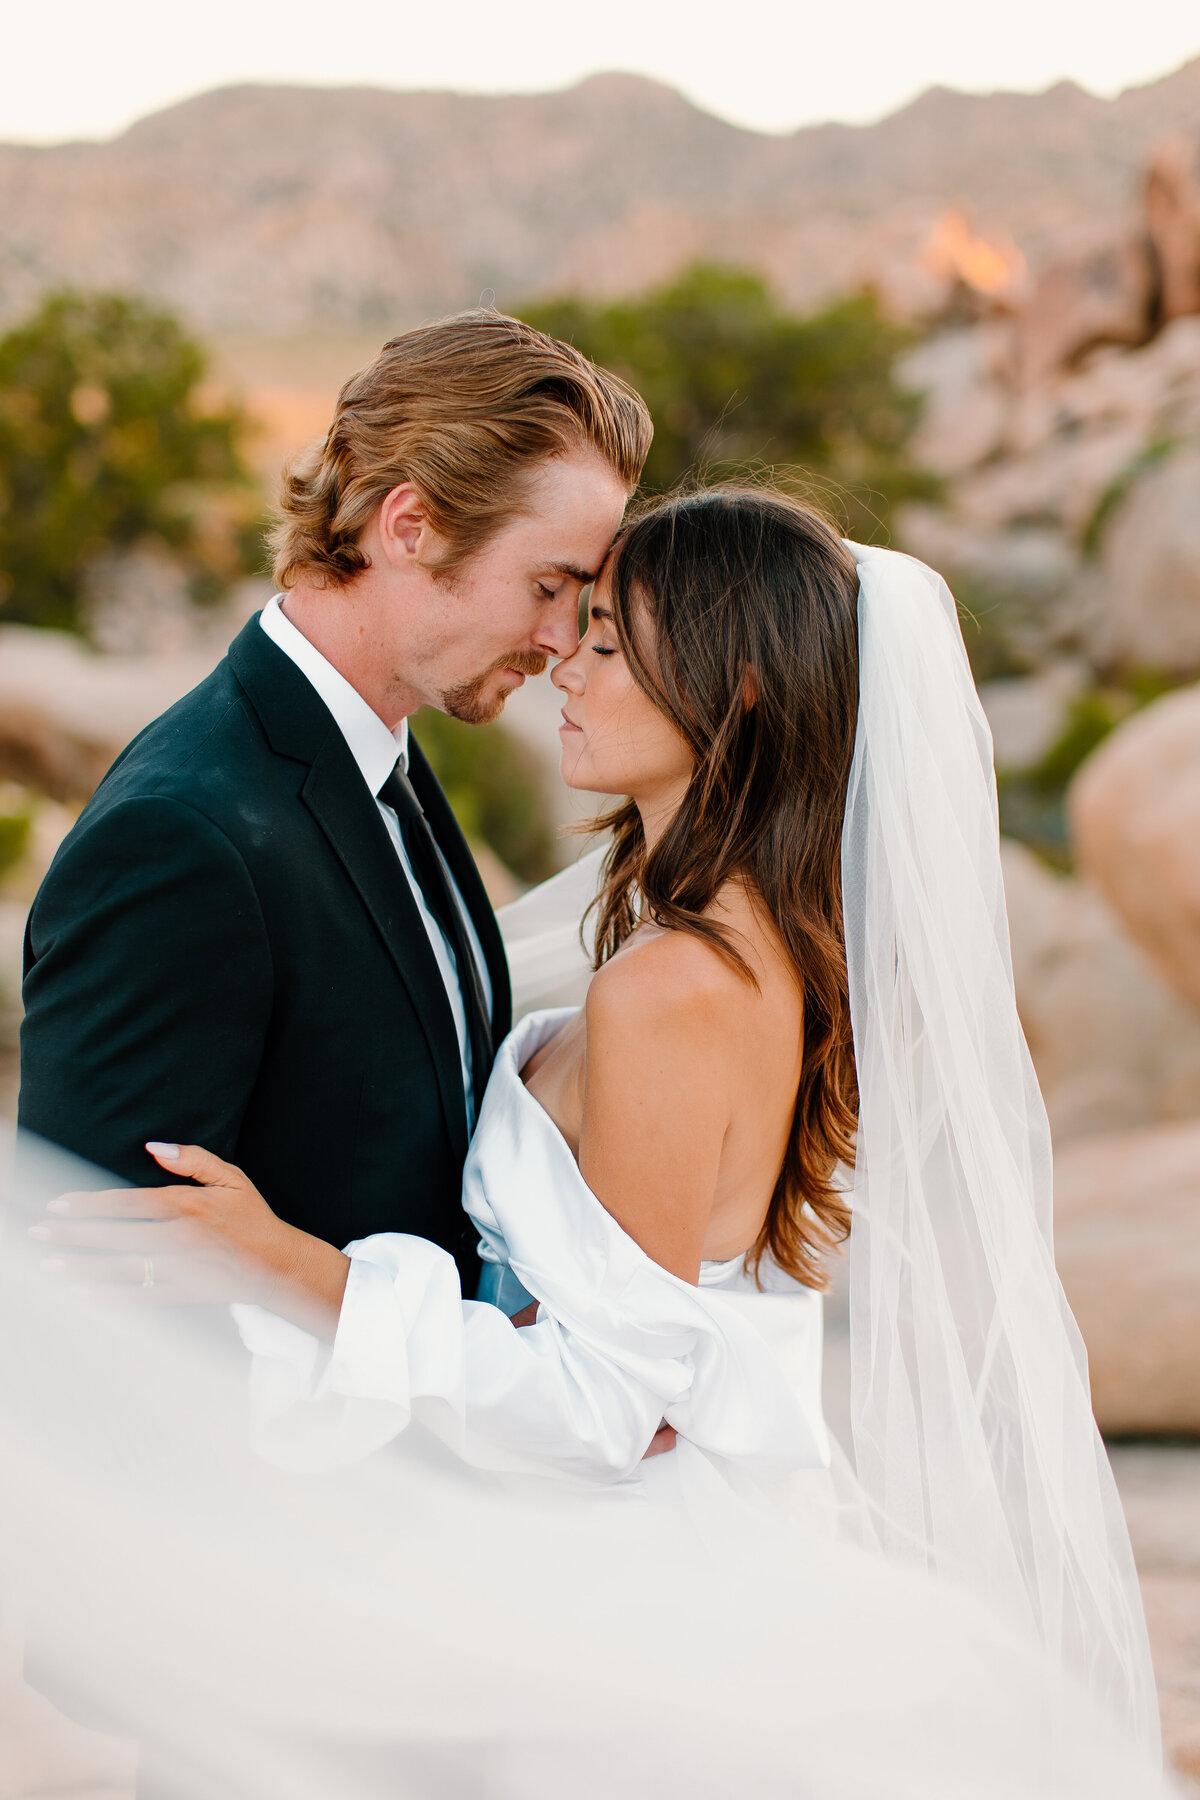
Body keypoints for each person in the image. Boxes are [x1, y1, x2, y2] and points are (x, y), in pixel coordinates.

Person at [40, 488, 1160, 1769]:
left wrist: (295, 1267)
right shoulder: (722, 946)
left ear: (731, 693)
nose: (560, 663)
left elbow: (609, 1402)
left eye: (611, 646)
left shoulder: (674, 988)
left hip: (627, 1590)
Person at [18, 309, 649, 1296]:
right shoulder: (183, 834)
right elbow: (94, 1282)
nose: (564, 638)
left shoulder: (387, 759)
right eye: (547, 584)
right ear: (410, 525)